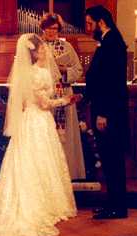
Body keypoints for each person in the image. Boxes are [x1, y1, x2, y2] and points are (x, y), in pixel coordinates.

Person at [0, 34, 81, 236]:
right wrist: (66, 100)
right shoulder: (35, 74)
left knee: (41, 162)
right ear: (33, 53)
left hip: (37, 120)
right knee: (36, 161)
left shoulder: (36, 72)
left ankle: (47, 202)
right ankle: (37, 205)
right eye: (41, 49)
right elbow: (43, 104)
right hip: (37, 120)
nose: (45, 51)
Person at [84, 5, 129, 219]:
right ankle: (113, 204)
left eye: (90, 23)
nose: (88, 27)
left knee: (112, 159)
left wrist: (103, 113)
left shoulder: (112, 43)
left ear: (101, 21)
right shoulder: (108, 40)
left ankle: (117, 207)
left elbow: (111, 83)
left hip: (108, 112)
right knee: (110, 160)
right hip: (105, 109)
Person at [40, 13, 86, 180]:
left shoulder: (66, 48)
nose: (52, 31)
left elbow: (79, 70)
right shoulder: (37, 47)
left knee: (65, 136)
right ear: (43, 29)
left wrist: (65, 70)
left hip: (64, 94)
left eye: (55, 28)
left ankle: (66, 173)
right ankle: (47, 175)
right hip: (45, 95)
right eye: (48, 28)